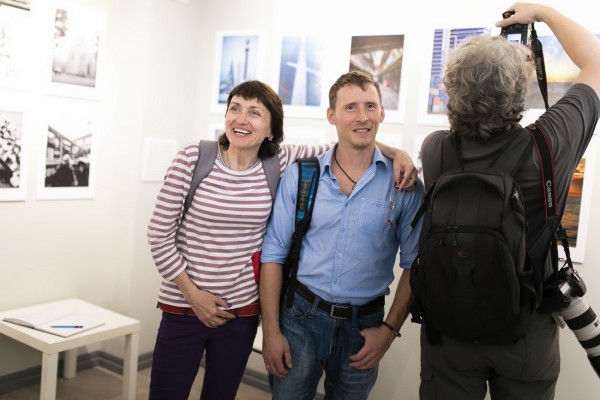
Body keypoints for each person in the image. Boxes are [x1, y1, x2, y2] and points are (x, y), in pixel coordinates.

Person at [146, 79, 419, 400]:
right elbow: (159, 235)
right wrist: (193, 295)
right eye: (235, 109)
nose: (241, 119)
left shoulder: (279, 161)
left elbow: (350, 139)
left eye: (254, 113)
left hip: (241, 310)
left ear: (271, 129)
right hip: (185, 305)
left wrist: (397, 153)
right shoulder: (193, 158)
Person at [418, 3, 600, 399]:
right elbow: (597, 62)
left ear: (452, 90)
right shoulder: (547, 146)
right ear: (520, 89)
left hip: (448, 329)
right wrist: (542, 12)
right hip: (525, 330)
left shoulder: (434, 150)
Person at [259, 71, 424, 400]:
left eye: (370, 106)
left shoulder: (404, 184)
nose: (362, 117)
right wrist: (271, 331)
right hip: (300, 318)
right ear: (332, 115)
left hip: (364, 326)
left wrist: (388, 332)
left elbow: (414, 264)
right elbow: (273, 254)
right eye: (351, 107)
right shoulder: (302, 175)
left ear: (382, 113)